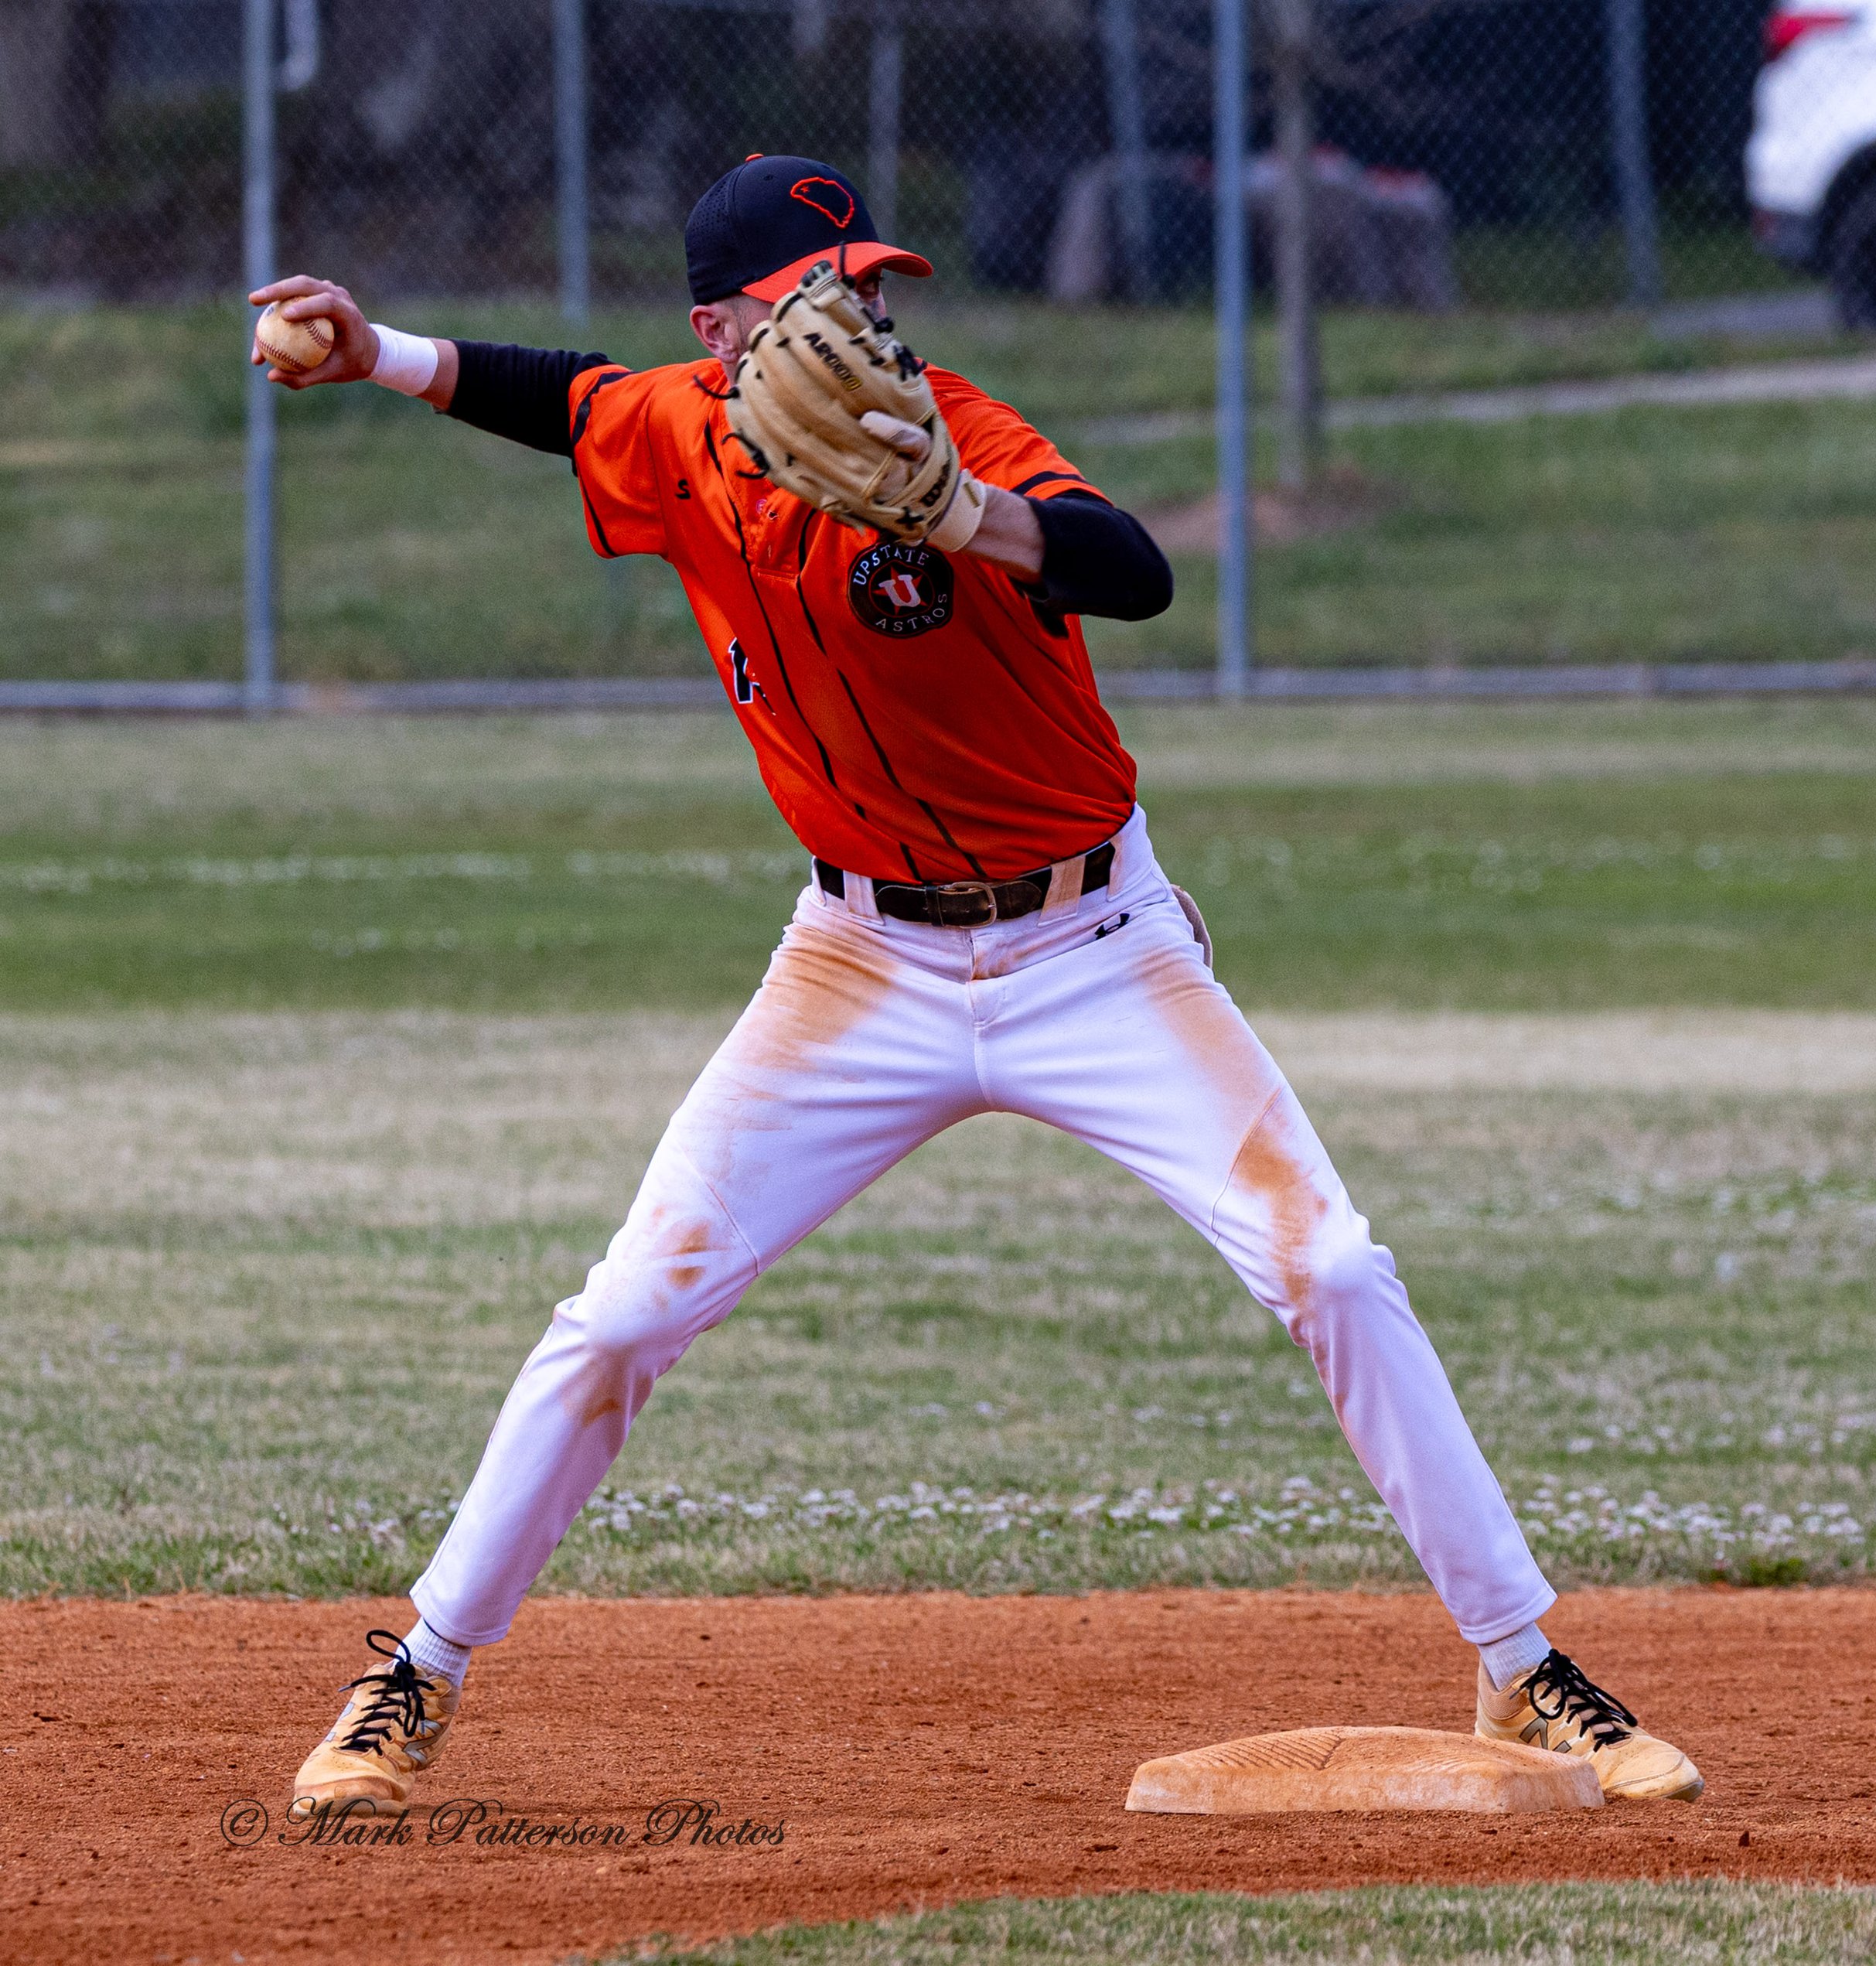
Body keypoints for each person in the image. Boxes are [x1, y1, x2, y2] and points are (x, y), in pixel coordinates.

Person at [254, 154, 1702, 1820]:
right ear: (723, 328)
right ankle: (411, 1676)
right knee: (627, 1312)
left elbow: (1128, 563)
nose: (864, 318)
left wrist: (961, 516)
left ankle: (1522, 1665)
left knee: (1335, 1263)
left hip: (1095, 947)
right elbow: (554, 394)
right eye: (823, 290)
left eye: (870, 284)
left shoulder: (953, 436)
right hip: (858, 961)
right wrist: (370, 354)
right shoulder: (674, 433)